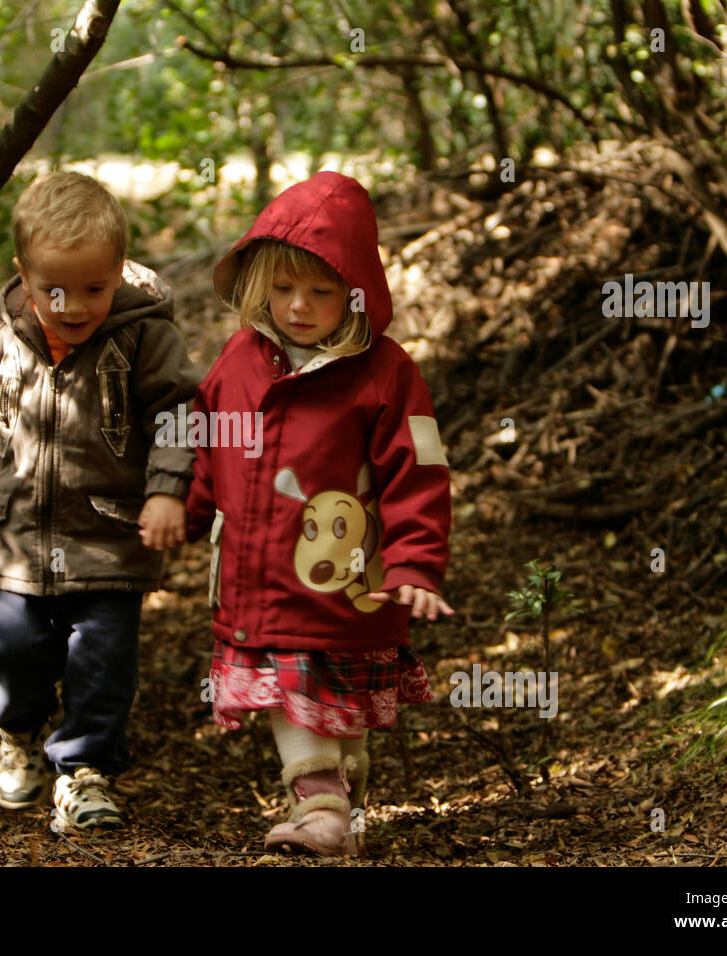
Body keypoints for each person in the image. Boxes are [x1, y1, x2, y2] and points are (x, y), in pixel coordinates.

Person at [0, 170, 198, 831]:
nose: (74, 306)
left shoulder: (142, 336)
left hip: (111, 539)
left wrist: (166, 491)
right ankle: (17, 735)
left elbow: (180, 415)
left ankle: (85, 770)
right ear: (24, 271)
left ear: (119, 271)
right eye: (55, 290)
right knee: (8, 644)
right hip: (17, 540)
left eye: (94, 288)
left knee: (103, 658)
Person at [184, 171, 454, 856]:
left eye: (322, 291)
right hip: (257, 583)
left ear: (357, 292)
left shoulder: (385, 374)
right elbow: (209, 447)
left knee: (341, 711)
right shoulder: (238, 363)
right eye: (282, 288)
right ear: (257, 284)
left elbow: (419, 472)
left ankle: (338, 814)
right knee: (287, 694)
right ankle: (324, 810)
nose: (299, 306)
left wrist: (418, 563)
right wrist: (183, 514)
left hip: (347, 586)